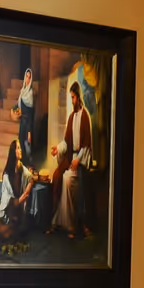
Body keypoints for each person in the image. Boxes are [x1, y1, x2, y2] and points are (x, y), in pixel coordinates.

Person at [49, 80, 93, 238]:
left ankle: (73, 224)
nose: (72, 100)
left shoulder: (85, 116)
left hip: (79, 160)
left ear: (78, 97)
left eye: (73, 97)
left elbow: (87, 144)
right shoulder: (71, 117)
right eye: (71, 97)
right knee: (59, 177)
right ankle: (64, 222)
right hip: (71, 158)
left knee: (67, 180)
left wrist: (78, 159)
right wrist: (58, 148)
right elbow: (66, 142)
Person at [14, 67, 39, 166]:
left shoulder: (30, 93)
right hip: (22, 123)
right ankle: (22, 167)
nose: (28, 79)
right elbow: (19, 105)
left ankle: (27, 167)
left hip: (27, 124)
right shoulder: (23, 91)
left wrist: (29, 132)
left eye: (29, 77)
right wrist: (14, 110)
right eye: (27, 77)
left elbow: (30, 114)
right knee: (21, 145)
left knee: (27, 147)